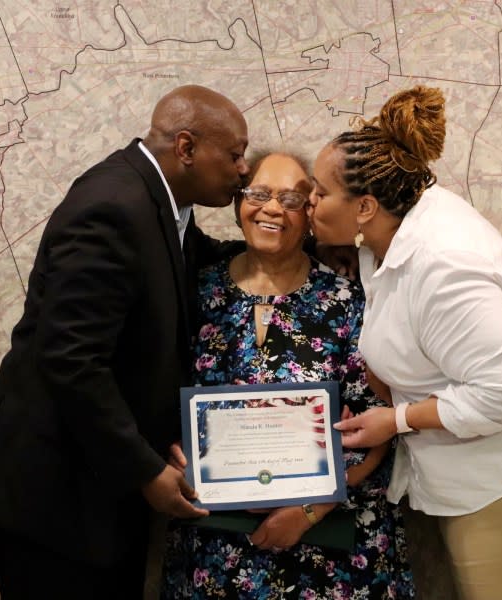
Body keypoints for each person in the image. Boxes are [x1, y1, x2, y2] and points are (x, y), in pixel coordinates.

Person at [307, 86, 502, 600]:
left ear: (364, 206)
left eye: (318, 192)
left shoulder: (445, 263)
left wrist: (398, 419)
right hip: (483, 474)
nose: (308, 201)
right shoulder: (388, 235)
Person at [0, 84, 250, 599]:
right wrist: (145, 469)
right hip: (56, 498)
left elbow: (199, 256)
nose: (243, 169)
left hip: (96, 490)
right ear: (186, 148)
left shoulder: (162, 202)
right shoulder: (113, 207)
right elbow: (70, 359)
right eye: (234, 154)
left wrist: (301, 247)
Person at [161, 152, 415, 599]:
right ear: (240, 201)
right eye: (259, 193)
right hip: (217, 543)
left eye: (292, 198)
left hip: (326, 545)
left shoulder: (348, 299)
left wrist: (308, 510)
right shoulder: (193, 292)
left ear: (311, 211)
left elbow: (379, 423)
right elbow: (160, 397)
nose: (272, 208)